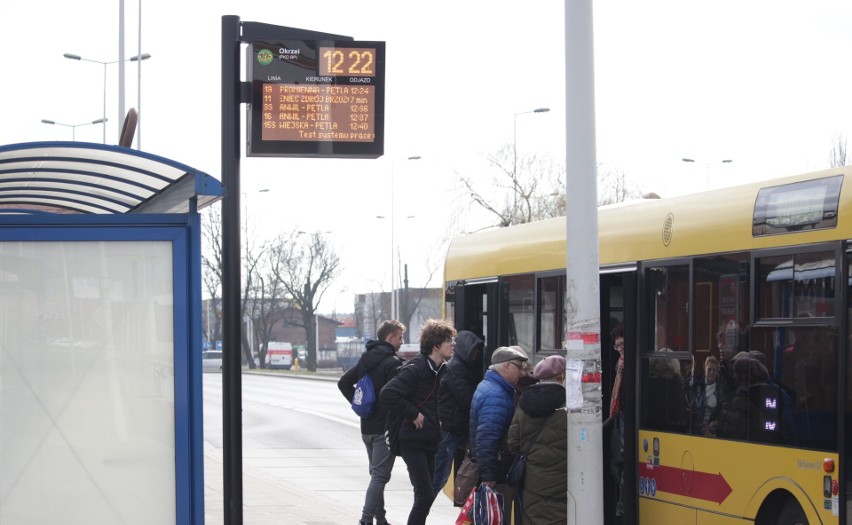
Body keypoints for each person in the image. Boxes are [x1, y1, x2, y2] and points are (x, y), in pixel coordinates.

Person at [380, 319, 456, 525]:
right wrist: (412, 413)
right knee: (424, 495)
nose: (453, 344)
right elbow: (388, 393)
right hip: (411, 440)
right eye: (449, 341)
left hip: (429, 440)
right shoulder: (416, 367)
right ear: (436, 346)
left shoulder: (441, 371)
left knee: (426, 495)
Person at [338, 320, 406, 525]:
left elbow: (344, 383)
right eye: (400, 337)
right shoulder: (392, 363)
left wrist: (361, 405)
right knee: (380, 477)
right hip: (383, 428)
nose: (402, 342)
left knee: (377, 475)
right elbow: (395, 396)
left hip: (366, 426)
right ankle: (366, 520)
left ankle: (381, 519)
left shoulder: (366, 359)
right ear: (390, 338)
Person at [470, 345, 529, 521]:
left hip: (496, 470)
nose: (521, 372)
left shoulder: (492, 387)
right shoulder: (496, 395)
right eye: (518, 367)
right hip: (498, 473)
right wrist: (489, 476)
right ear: (506, 366)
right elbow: (487, 439)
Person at [507, 355, 567, 524]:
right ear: (562, 376)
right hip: (564, 479)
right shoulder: (570, 403)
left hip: (533, 480)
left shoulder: (524, 402)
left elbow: (512, 443)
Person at [432, 330, 484, 498]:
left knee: (442, 475)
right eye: (474, 350)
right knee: (439, 477)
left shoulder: (462, 367)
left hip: (455, 427)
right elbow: (467, 400)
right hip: (451, 429)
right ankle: (421, 511)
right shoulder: (456, 369)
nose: (476, 355)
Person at [603, 324, 625, 520]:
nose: (618, 342)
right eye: (615, 339)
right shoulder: (620, 363)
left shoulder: (626, 363)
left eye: (621, 337)